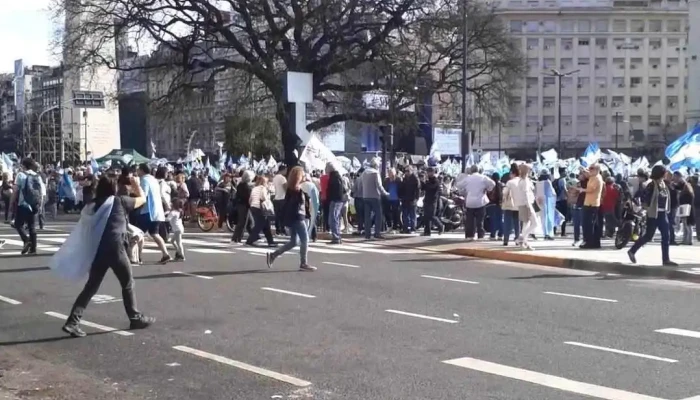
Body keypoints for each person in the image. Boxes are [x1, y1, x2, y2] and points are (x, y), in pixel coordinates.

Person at [61, 176, 155, 338]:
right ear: (114, 188)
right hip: (116, 248)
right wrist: (135, 184)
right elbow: (142, 199)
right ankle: (135, 318)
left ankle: (72, 321)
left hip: (98, 250)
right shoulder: (119, 201)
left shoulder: (92, 205)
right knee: (127, 283)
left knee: (91, 286)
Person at [266, 166, 316, 271]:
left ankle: (273, 255)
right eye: (302, 174)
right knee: (305, 239)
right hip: (297, 218)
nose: (304, 176)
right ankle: (303, 263)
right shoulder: (297, 190)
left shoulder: (290, 188)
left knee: (294, 241)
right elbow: (298, 205)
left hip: (292, 218)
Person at [627, 165, 677, 266]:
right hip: (653, 213)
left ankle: (666, 259)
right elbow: (645, 198)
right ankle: (632, 251)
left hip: (663, 213)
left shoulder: (663, 184)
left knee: (666, 236)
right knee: (648, 236)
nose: (666, 174)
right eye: (665, 172)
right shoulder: (651, 185)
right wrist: (646, 209)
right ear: (661, 173)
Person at [135, 163, 170, 263]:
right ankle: (165, 254)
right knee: (155, 233)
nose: (137, 172)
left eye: (138, 170)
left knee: (139, 233)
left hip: (147, 211)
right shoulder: (154, 180)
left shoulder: (144, 180)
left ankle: (138, 257)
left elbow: (143, 195)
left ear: (142, 170)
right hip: (157, 211)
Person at [11, 158, 46, 255]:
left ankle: (26, 240)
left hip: (23, 204)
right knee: (32, 226)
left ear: (23, 165)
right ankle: (33, 248)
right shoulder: (37, 176)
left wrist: (12, 202)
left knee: (18, 224)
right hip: (35, 204)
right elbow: (42, 192)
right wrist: (40, 205)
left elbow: (15, 190)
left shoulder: (20, 175)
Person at [457, 165, 495, 241]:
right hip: (480, 201)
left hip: (470, 202)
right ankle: (480, 235)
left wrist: (464, 190)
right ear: (478, 170)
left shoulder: (468, 178)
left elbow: (458, 185)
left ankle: (470, 235)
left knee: (470, 220)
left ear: (471, 170)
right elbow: (493, 183)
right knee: (480, 220)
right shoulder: (483, 177)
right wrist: (488, 189)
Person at [360, 159, 388, 240]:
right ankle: (377, 233)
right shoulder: (375, 173)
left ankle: (367, 234)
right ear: (376, 166)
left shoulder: (364, 173)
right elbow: (379, 186)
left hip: (365, 196)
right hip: (375, 197)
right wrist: (385, 193)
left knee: (367, 216)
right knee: (378, 215)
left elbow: (362, 184)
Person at [513, 163, 538, 250]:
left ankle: (525, 242)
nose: (531, 171)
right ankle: (521, 238)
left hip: (523, 204)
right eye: (530, 170)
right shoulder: (525, 181)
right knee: (535, 223)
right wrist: (529, 206)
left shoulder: (522, 180)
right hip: (527, 204)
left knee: (526, 224)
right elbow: (526, 194)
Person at [246, 175, 276, 247]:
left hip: (253, 207)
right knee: (259, 226)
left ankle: (270, 241)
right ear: (264, 182)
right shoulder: (263, 188)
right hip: (260, 208)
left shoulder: (254, 188)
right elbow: (264, 198)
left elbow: (250, 199)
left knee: (266, 225)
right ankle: (249, 240)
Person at [580, 164, 603, 249]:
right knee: (594, 224)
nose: (590, 170)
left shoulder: (597, 178)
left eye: (592, 169)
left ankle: (589, 242)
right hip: (589, 203)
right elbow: (587, 174)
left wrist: (582, 190)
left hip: (591, 204)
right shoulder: (593, 176)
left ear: (597, 170)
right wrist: (583, 170)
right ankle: (595, 243)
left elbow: (591, 189)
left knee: (588, 225)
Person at [231, 170, 254, 243]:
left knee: (250, 222)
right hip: (244, 205)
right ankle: (236, 239)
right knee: (242, 223)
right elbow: (247, 197)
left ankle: (254, 236)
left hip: (242, 205)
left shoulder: (241, 184)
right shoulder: (245, 186)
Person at [421, 167, 444, 236]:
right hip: (427, 199)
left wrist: (426, 183)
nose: (428, 173)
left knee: (431, 216)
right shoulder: (428, 180)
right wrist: (422, 182)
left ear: (433, 172)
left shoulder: (436, 180)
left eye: (430, 172)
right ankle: (427, 231)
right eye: (428, 172)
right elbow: (423, 188)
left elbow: (432, 187)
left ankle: (440, 226)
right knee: (426, 216)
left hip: (433, 200)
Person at [326, 163, 345, 244]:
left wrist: (329, 198)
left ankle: (336, 237)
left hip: (335, 200)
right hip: (339, 200)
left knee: (333, 219)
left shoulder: (333, 177)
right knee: (335, 218)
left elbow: (331, 190)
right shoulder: (338, 176)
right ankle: (337, 236)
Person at [501, 165, 520, 246]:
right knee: (517, 223)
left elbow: (504, 192)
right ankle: (517, 239)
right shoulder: (522, 181)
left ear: (512, 173)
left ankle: (506, 240)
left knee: (507, 223)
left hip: (509, 205)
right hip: (519, 206)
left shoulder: (510, 182)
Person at [535, 170, 556, 240]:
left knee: (542, 218)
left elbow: (535, 193)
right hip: (547, 202)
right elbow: (552, 193)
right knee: (548, 218)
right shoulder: (548, 182)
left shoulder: (537, 183)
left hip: (539, 202)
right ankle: (548, 233)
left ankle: (545, 233)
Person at [399, 166, 420, 234]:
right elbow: (402, 188)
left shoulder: (415, 179)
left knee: (412, 215)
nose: (406, 172)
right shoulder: (404, 179)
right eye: (405, 171)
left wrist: (416, 198)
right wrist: (401, 196)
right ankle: (405, 228)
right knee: (405, 215)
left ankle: (413, 228)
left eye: (408, 171)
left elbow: (418, 190)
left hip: (412, 199)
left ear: (411, 171)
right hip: (405, 199)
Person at [676, 175, 694, 245]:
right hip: (686, 208)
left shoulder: (686, 192)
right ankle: (686, 240)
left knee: (687, 225)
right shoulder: (687, 191)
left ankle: (688, 240)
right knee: (686, 225)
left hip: (686, 209)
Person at [486, 172, 503, 240]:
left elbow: (488, 193)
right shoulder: (502, 185)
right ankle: (500, 235)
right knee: (500, 219)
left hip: (492, 204)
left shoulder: (492, 185)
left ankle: (493, 235)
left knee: (493, 220)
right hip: (501, 204)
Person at [272, 165, 288, 235]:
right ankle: (282, 229)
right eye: (286, 170)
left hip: (276, 198)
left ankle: (278, 229)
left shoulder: (275, 177)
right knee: (283, 215)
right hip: (282, 198)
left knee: (277, 215)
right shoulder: (282, 178)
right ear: (283, 170)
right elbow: (285, 188)